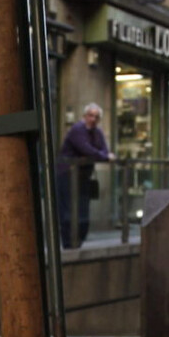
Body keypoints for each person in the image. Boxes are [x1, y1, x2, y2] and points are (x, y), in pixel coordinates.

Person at [57, 102, 114, 249]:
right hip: (67, 174)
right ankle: (69, 244)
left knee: (83, 213)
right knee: (69, 212)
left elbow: (103, 150)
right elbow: (88, 149)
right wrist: (102, 156)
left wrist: (101, 155)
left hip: (84, 176)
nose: (93, 119)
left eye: (96, 116)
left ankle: (77, 242)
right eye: (90, 115)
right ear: (84, 116)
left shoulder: (97, 132)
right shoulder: (77, 130)